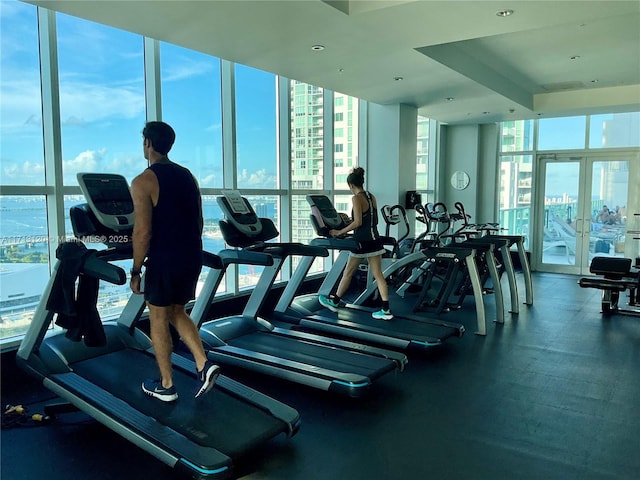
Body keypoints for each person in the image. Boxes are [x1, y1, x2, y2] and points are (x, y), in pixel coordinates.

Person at [130, 121, 220, 402]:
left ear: (147, 143)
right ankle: (204, 364)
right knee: (177, 311)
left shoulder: (143, 181)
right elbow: (199, 220)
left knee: (157, 316)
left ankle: (166, 385)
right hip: (191, 255)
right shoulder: (188, 176)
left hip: (165, 259)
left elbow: (142, 232)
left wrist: (135, 270)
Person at [318, 167, 393, 320]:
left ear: (351, 185)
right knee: (378, 275)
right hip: (375, 240)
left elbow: (358, 222)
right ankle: (386, 310)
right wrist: (350, 227)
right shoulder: (371, 196)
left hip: (362, 242)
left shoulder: (356, 198)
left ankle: (335, 301)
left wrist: (339, 232)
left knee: (348, 273)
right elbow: (373, 220)